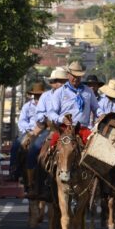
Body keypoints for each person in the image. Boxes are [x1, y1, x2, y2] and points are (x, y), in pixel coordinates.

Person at [25, 68, 68, 198]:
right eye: (56, 81)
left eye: (62, 81)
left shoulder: (69, 95)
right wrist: (46, 116)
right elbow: (39, 114)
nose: (59, 84)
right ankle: (36, 185)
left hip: (68, 129)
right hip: (49, 129)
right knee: (35, 150)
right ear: (52, 83)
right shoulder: (45, 96)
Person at [46, 61, 99, 146]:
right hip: (64, 129)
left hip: (83, 129)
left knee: (95, 149)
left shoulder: (88, 91)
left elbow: (96, 108)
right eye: (74, 76)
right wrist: (62, 119)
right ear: (68, 75)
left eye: (78, 76)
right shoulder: (60, 92)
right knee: (50, 148)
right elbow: (51, 112)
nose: (76, 78)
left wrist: (102, 114)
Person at [10, 82, 45, 182]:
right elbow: (22, 121)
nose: (38, 97)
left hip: (43, 131)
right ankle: (14, 170)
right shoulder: (27, 106)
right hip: (28, 131)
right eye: (36, 95)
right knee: (16, 146)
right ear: (33, 95)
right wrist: (29, 129)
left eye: (40, 94)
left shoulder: (47, 105)